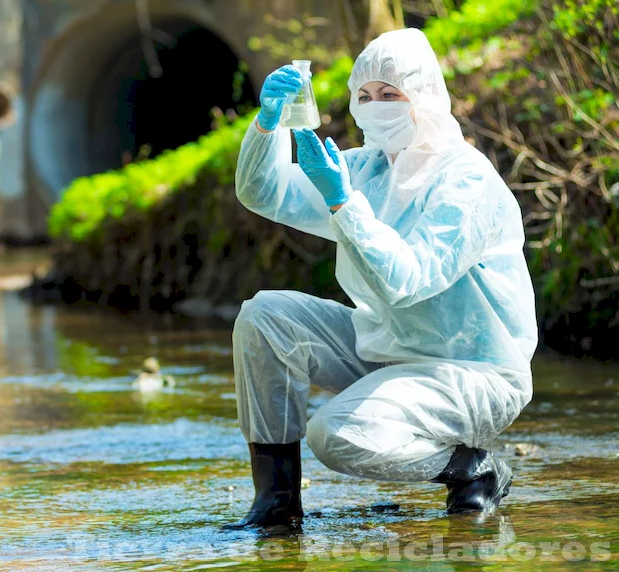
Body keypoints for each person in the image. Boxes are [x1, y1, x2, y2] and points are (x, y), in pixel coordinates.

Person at [223, 28, 537, 530]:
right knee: (265, 317)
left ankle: (472, 470)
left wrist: (343, 204)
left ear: (425, 97)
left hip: (472, 374)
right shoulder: (366, 168)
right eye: (364, 96)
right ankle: (276, 504)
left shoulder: (465, 181)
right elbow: (265, 192)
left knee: (336, 434)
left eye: (390, 95)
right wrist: (268, 126)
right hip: (388, 351)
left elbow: (409, 279)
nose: (375, 107)